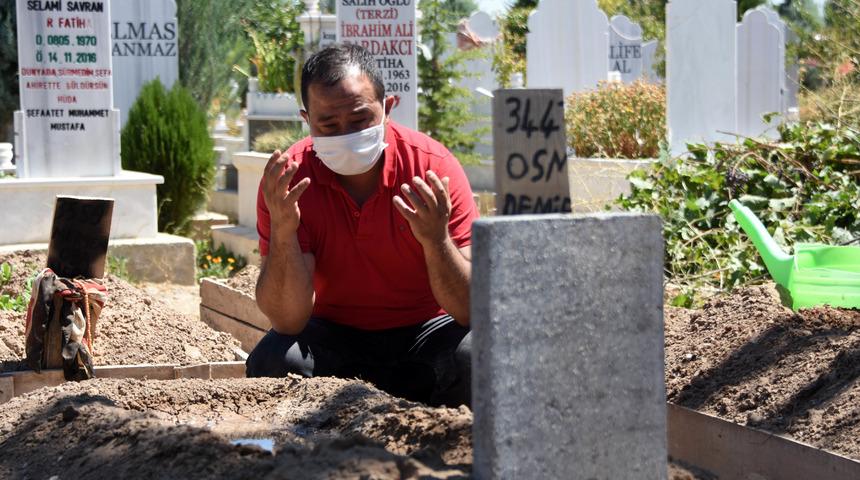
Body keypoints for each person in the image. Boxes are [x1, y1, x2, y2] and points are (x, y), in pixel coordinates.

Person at [246, 43, 478, 407]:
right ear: (306, 121)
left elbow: (470, 308)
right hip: (333, 340)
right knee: (273, 361)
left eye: (359, 120)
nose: (346, 134)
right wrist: (284, 231)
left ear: (387, 108)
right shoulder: (288, 181)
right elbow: (288, 320)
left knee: (481, 357)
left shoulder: (432, 169)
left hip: (426, 335)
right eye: (329, 125)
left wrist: (436, 240)